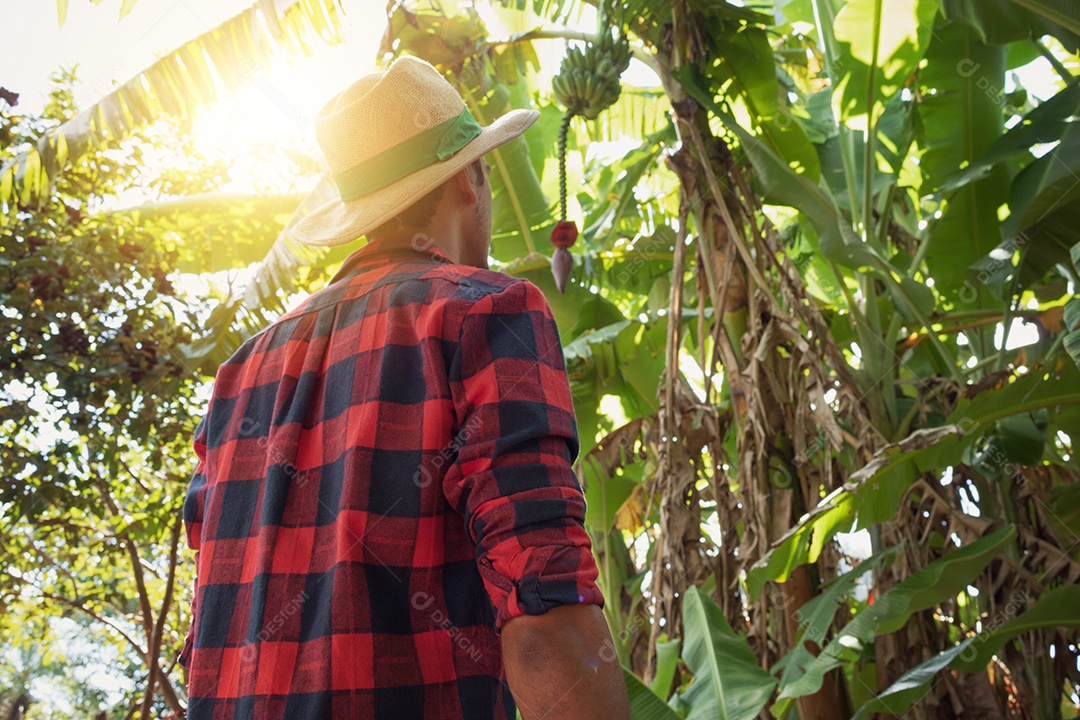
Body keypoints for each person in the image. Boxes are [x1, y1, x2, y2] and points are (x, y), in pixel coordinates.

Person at [180, 55, 630, 720]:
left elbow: (210, 628)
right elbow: (544, 608)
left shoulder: (240, 374)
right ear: (471, 178)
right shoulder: (486, 311)